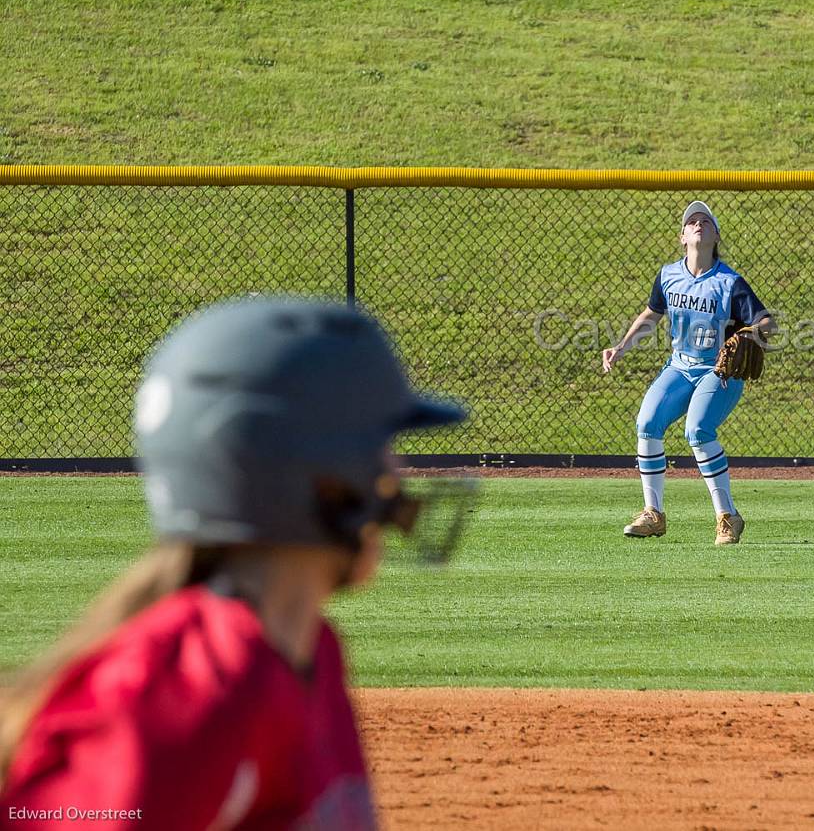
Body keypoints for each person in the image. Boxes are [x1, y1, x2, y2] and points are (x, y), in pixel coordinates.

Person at [0, 297, 468, 824]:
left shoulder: (313, 651)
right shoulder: (189, 691)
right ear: (314, 473)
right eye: (382, 449)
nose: (397, 475)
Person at [602, 201, 773, 545]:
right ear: (682, 236)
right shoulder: (668, 275)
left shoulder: (729, 282)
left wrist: (749, 334)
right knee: (647, 423)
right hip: (680, 366)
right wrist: (621, 347)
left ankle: (728, 517)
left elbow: (768, 322)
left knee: (697, 430)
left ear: (715, 235)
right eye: (691, 222)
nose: (697, 225)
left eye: (705, 221)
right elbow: (652, 314)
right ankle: (653, 514)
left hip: (718, 371)